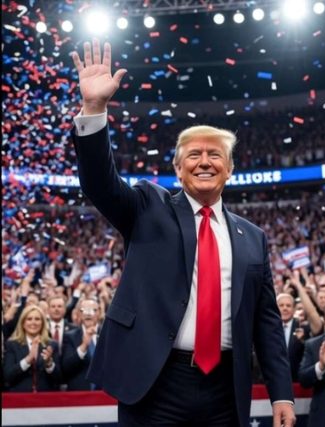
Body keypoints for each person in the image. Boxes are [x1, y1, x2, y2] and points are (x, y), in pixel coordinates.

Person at [69, 40, 295, 426]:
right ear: (178, 169)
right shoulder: (147, 206)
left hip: (225, 388)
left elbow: (267, 324)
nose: (204, 161)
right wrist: (94, 110)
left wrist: (282, 395)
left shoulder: (253, 237)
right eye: (193, 154)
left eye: (214, 155)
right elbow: (99, 185)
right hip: (155, 382)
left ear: (229, 170)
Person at [3, 305, 62, 391]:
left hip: (46, 398)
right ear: (23, 323)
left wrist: (49, 364)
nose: (33, 322)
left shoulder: (52, 344)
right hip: (20, 398)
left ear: (42, 323)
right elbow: (8, 376)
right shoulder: (11, 344)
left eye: (37, 319)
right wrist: (28, 359)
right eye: (29, 319)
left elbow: (59, 379)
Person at [61, 298, 102, 391]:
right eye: (84, 310)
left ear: (99, 313)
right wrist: (83, 347)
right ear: (79, 314)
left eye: (93, 310)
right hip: (80, 395)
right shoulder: (69, 337)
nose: (88, 314)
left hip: (106, 393)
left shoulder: (108, 335)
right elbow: (66, 368)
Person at [276, 293, 310, 381]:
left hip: (296, 380)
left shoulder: (304, 327)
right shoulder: (268, 328)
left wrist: (303, 341)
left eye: (288, 305)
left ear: (294, 309)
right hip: (274, 379)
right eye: (281, 305)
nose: (285, 308)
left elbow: (310, 353)